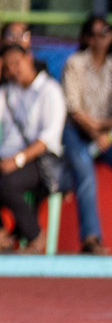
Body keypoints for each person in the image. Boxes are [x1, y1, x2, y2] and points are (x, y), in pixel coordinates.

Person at [0, 43, 67, 254]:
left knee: (6, 184)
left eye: (16, 63)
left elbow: (48, 139)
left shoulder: (50, 91)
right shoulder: (7, 91)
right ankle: (0, 232)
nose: (13, 70)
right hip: (7, 154)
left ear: (28, 59)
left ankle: (34, 235)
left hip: (39, 158)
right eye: (7, 67)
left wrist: (18, 160)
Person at [60, 13, 111, 255]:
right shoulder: (75, 63)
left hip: (106, 133)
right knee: (84, 171)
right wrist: (95, 132)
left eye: (105, 32)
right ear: (87, 38)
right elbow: (75, 110)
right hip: (77, 131)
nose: (101, 38)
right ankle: (91, 239)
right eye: (95, 34)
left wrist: (105, 132)